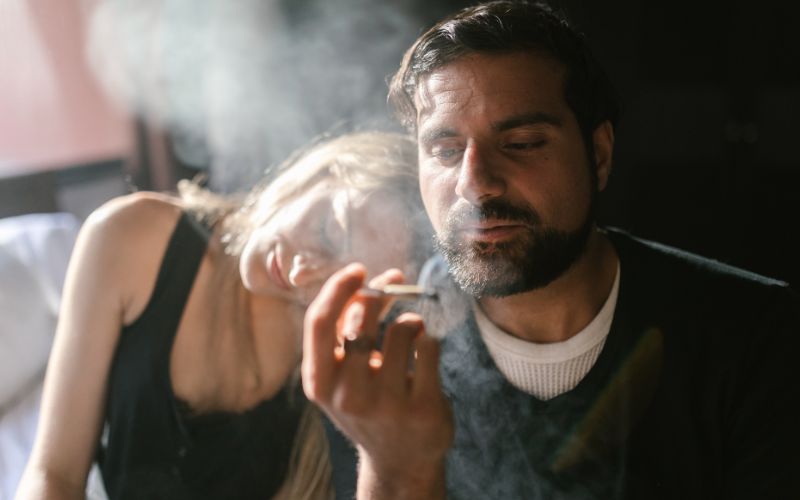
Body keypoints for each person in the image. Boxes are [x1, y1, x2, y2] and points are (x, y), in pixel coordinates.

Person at [301, 2, 800, 499]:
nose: (475, 184)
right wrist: (393, 468)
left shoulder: (753, 334)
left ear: (599, 155)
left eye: (520, 143)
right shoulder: (382, 349)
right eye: (446, 151)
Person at [15, 131, 432, 500]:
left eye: (342, 282)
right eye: (327, 229)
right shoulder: (132, 237)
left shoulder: (333, 383)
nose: (302, 273)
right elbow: (54, 473)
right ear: (321, 173)